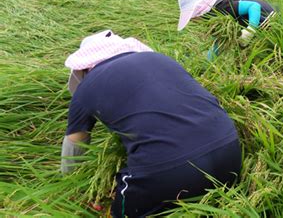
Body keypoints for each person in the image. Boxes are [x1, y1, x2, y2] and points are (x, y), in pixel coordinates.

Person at [61, 30, 241, 217]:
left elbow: (74, 146)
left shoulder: (86, 87)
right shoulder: (162, 60)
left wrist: (75, 189)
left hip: (170, 174)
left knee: (117, 212)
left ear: (83, 68)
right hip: (230, 154)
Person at [177, 0, 276, 55]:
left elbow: (254, 6)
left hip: (273, 22)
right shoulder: (212, 19)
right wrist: (209, 65)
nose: (193, 21)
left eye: (192, 18)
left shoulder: (222, 6)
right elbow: (219, 42)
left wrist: (250, 30)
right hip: (263, 34)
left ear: (197, 13)